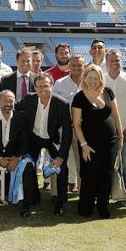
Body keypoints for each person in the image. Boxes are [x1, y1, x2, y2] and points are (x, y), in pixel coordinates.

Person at [16, 73, 72, 215]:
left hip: (51, 139)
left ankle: (60, 202)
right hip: (33, 139)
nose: (42, 89)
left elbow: (67, 132)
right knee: (28, 166)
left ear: (51, 86)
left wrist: (61, 156)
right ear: (35, 87)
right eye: (39, 86)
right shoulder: (29, 99)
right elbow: (12, 107)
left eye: (46, 86)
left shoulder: (62, 103)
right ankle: (29, 201)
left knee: (62, 168)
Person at [72, 65, 122, 219]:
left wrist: (120, 138)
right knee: (89, 174)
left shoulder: (108, 92)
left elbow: (116, 116)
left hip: (110, 143)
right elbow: (77, 124)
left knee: (106, 174)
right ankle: (86, 204)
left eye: (96, 78)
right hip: (89, 145)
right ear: (84, 78)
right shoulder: (79, 97)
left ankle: (102, 205)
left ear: (101, 78)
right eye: (90, 77)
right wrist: (84, 145)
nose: (93, 81)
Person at [0, 90, 34, 217]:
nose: (8, 103)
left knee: (28, 168)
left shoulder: (20, 117)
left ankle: (27, 205)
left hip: (13, 154)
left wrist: (16, 157)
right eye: (5, 100)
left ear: (15, 102)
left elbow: (24, 142)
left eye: (11, 100)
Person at [104, 50, 126, 196]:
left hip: (124, 129)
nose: (114, 63)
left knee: (124, 162)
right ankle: (106, 192)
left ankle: (123, 194)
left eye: (117, 60)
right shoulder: (102, 79)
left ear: (121, 60)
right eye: (111, 60)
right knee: (106, 162)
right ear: (106, 61)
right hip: (104, 130)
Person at [52, 55, 86, 193]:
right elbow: (54, 107)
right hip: (64, 129)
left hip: (83, 130)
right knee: (59, 160)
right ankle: (56, 193)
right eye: (74, 65)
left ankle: (84, 192)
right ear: (69, 66)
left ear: (84, 66)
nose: (77, 68)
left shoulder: (90, 82)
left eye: (80, 65)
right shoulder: (59, 83)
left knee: (82, 163)